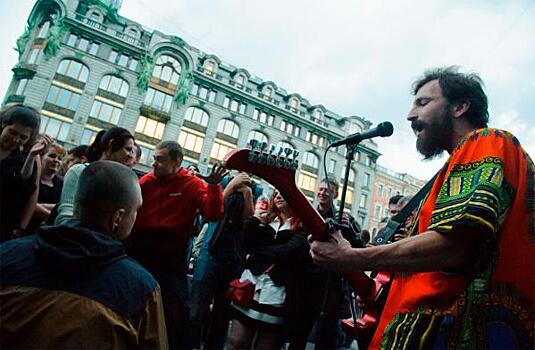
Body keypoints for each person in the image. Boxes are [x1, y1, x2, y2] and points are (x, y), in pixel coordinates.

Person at [310, 67, 534, 348]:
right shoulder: (454, 168)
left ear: (460, 107)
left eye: (423, 102)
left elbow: (456, 245)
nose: (410, 115)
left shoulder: (486, 141)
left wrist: (353, 257)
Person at [0, 161, 168, 349]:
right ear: (118, 217)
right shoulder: (141, 289)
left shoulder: (7, 254)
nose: (136, 216)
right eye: (136, 210)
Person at [127, 141, 226, 350]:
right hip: (140, 251)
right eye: (155, 158)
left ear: (176, 161)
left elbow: (213, 214)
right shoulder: (146, 182)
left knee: (174, 313)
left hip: (172, 257)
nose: (154, 164)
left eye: (160, 160)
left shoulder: (192, 184)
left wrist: (215, 186)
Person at [226, 190, 310, 350]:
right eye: (276, 193)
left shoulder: (302, 227)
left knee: (265, 347)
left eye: (283, 193)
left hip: (277, 292)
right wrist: (255, 219)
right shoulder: (267, 220)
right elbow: (246, 241)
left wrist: (258, 252)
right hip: (250, 287)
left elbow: (289, 251)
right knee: (236, 342)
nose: (278, 196)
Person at [189, 172, 260, 349]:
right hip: (210, 253)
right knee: (196, 310)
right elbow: (211, 211)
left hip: (235, 257)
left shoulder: (256, 189)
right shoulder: (222, 181)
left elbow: (250, 222)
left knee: (222, 316)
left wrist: (248, 195)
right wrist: (231, 186)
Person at [55, 127, 136, 225]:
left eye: (132, 152)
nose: (131, 156)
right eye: (128, 149)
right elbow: (65, 217)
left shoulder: (123, 184)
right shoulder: (79, 172)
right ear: (111, 144)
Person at [0, 105, 51, 241]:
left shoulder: (23, 160)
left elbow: (26, 191)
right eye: (13, 132)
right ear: (3, 124)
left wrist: (32, 156)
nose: (16, 140)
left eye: (23, 137)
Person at [28, 143, 66, 231]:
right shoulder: (31, 176)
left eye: (59, 158)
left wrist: (37, 206)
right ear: (40, 157)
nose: (56, 160)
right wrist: (51, 215)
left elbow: (62, 206)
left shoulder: (62, 184)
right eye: (52, 156)